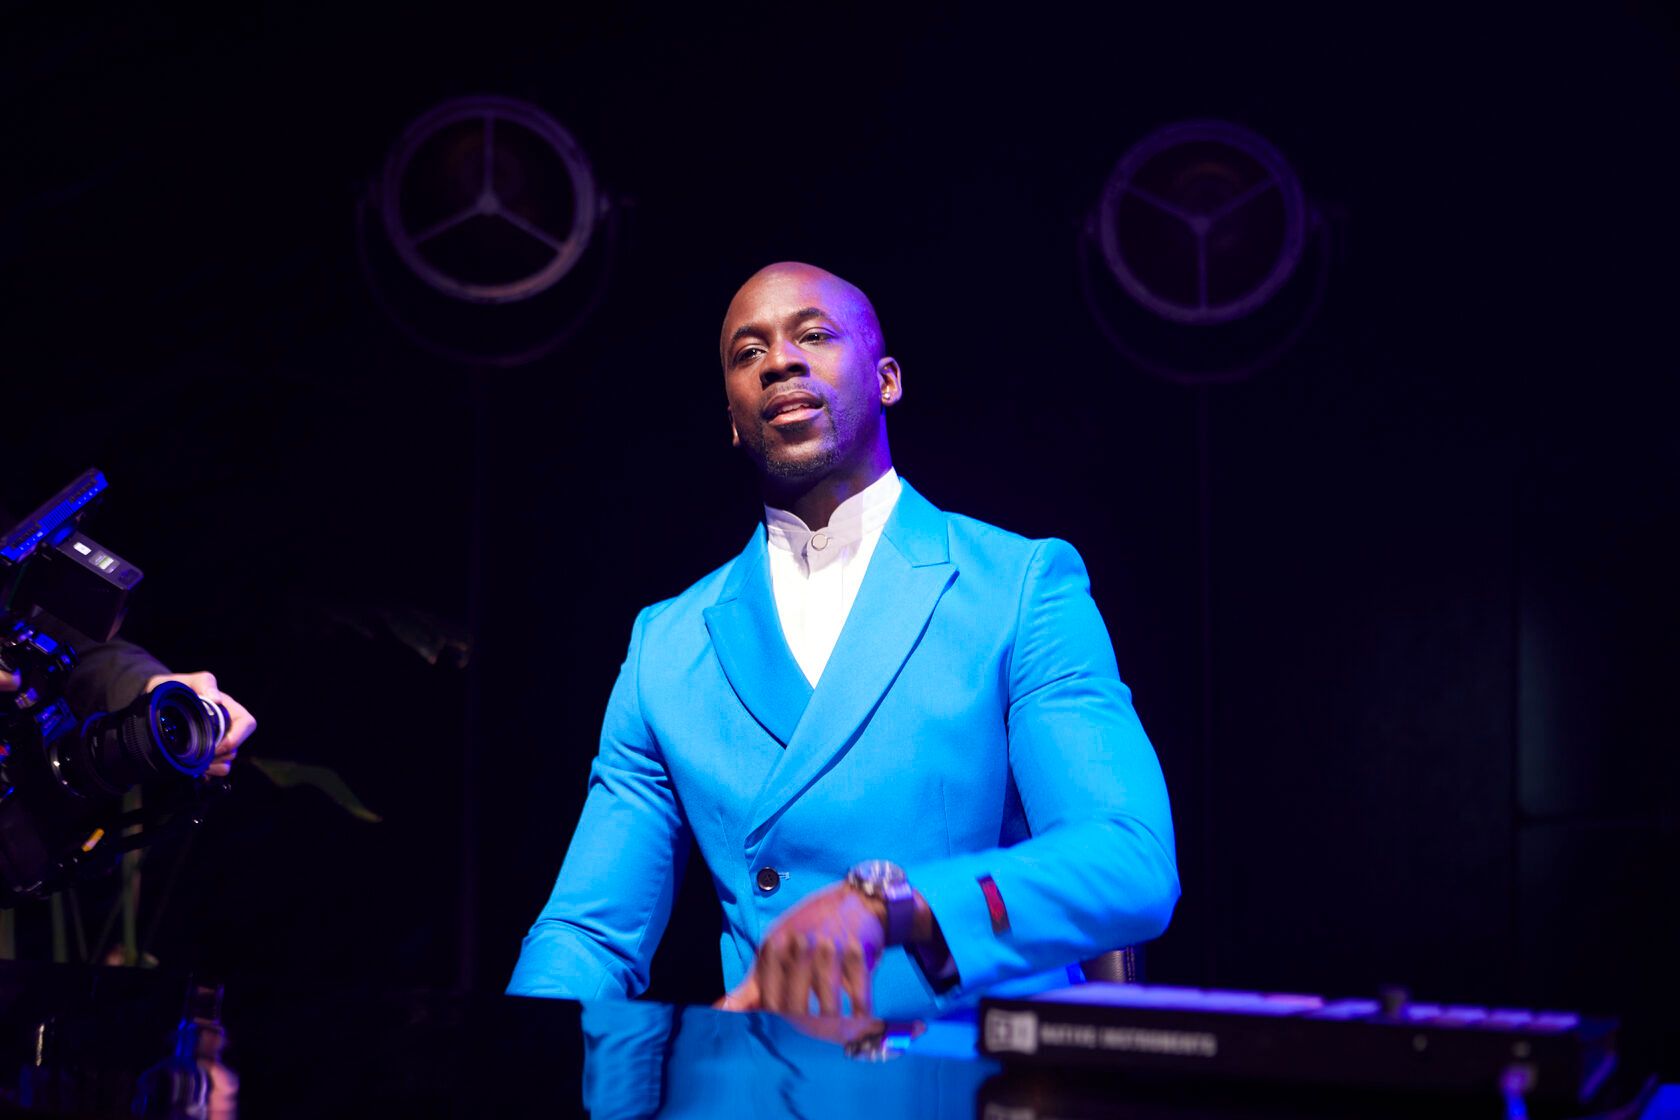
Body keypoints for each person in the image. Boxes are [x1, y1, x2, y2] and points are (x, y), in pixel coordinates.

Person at [508, 262, 1178, 1021]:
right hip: (772, 1085)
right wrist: (513, 1066)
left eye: (814, 335)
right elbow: (591, 935)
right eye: (747, 352)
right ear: (730, 417)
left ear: (888, 379)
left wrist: (896, 908)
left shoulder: (1018, 585)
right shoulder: (667, 644)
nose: (780, 360)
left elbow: (1129, 861)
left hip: (973, 1080)